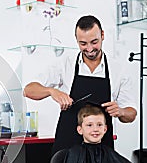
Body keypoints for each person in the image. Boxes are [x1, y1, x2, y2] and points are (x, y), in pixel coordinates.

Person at [23, 15, 137, 154]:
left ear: (102, 35)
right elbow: (28, 90)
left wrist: (121, 111)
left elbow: (131, 114)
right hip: (67, 146)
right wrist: (52, 91)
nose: (89, 49)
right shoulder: (65, 64)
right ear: (76, 40)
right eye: (83, 44)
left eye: (94, 42)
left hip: (101, 150)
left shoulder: (118, 69)